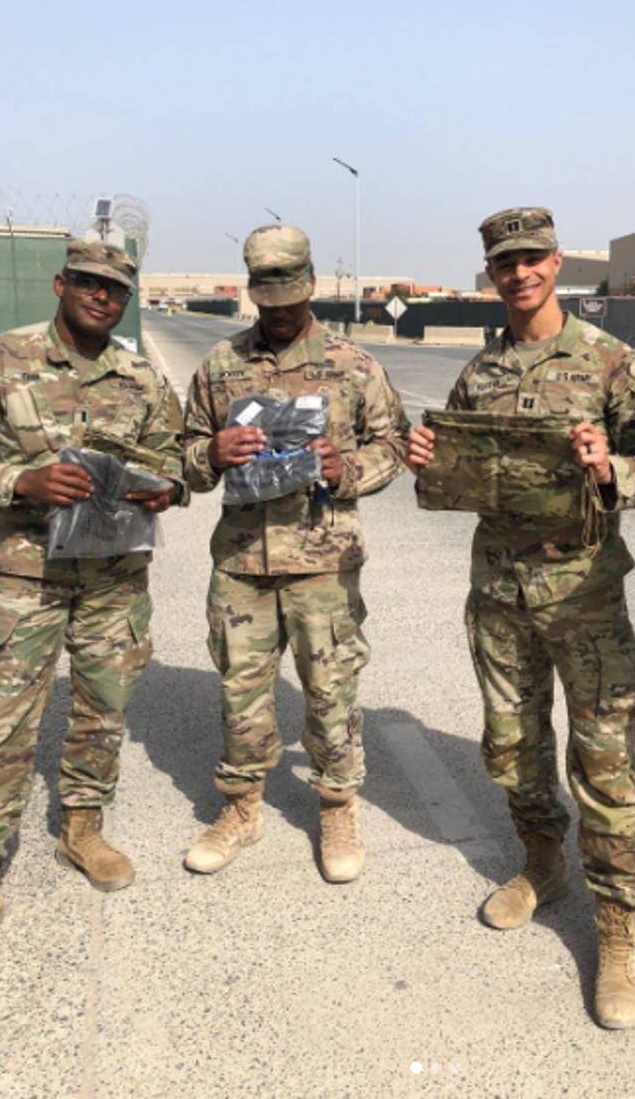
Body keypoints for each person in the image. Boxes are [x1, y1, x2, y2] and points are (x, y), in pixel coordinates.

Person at [407, 207, 635, 1029]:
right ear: (491, 274)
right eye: (504, 263)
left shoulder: (611, 361)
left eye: (531, 259)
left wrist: (611, 466)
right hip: (500, 594)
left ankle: (617, 925)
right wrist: (428, 462)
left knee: (604, 762)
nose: (519, 273)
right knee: (513, 745)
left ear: (556, 264)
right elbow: (460, 474)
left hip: (584, 595)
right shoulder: (480, 372)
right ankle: (543, 862)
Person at [0, 239, 185, 947]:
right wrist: (18, 481)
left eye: (116, 289)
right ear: (61, 283)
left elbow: (176, 460)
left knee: (102, 711)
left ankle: (82, 828)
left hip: (115, 578)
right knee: (0, 722)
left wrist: (166, 488)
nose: (101, 296)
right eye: (89, 282)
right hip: (28, 573)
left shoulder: (141, 377)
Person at [182, 224, 408, 884]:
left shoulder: (353, 364)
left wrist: (347, 468)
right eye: (267, 299)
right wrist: (211, 453)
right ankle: (241, 807)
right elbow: (182, 453)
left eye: (291, 297)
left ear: (310, 285)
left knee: (331, 692)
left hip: (323, 564)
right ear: (252, 291)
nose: (280, 311)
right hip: (243, 562)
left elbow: (394, 444)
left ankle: (336, 807)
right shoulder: (221, 365)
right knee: (241, 694)